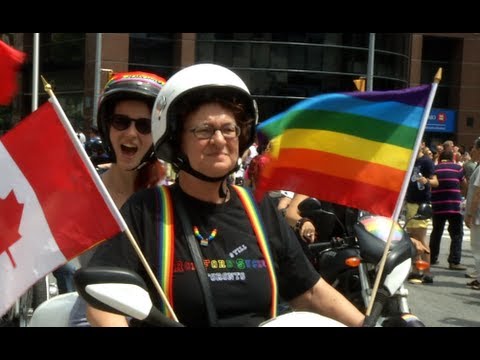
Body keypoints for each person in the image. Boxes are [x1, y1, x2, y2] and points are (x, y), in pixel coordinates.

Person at [84, 63, 365, 327]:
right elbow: (104, 301)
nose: (219, 140)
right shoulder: (147, 210)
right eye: (204, 130)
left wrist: (369, 323)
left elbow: (310, 291)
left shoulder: (258, 208)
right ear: (177, 139)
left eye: (229, 129)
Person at [68, 70, 167, 326]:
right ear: (107, 126)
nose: (131, 134)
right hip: (89, 317)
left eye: (144, 126)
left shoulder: (171, 199)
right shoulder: (84, 191)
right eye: (121, 122)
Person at [429, 149, 467, 270]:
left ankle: (432, 258)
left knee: (436, 232)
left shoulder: (435, 168)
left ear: (440, 157)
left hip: (438, 204)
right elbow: (464, 184)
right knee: (457, 233)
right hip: (454, 205)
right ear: (453, 157)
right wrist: (463, 196)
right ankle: (454, 261)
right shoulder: (458, 168)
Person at [405, 147, 438, 284]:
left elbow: (436, 182)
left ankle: (427, 272)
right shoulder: (410, 160)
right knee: (412, 238)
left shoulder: (426, 161)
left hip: (421, 204)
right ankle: (415, 270)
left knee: (421, 238)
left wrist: (427, 181)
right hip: (410, 202)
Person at [464, 137, 480, 289]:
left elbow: (478, 193)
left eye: (474, 148)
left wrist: (470, 213)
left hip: (478, 215)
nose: (472, 151)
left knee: (477, 247)